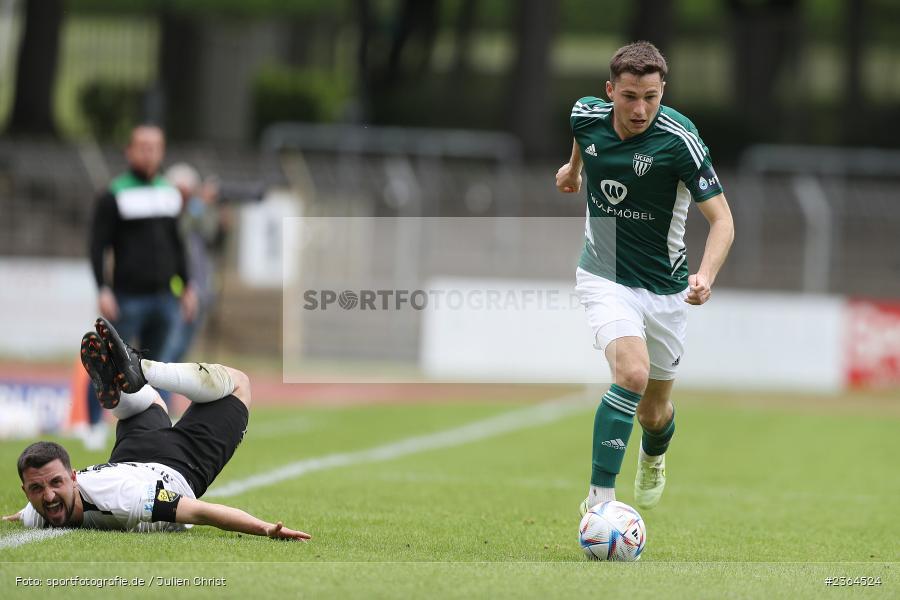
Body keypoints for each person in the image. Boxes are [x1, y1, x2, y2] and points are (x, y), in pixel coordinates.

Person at [555, 41, 735, 514]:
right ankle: (600, 501)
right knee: (631, 374)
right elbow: (582, 136)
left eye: (651, 97)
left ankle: (653, 457)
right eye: (630, 96)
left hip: (666, 289)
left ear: (663, 92)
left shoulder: (680, 140)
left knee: (654, 413)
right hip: (605, 273)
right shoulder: (585, 115)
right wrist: (573, 170)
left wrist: (706, 275)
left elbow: (722, 220)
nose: (640, 109)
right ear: (610, 91)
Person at [2, 318, 309, 540]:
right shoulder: (42, 510)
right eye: (37, 489)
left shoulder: (120, 500)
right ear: (26, 492)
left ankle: (141, 371)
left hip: (154, 463)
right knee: (161, 401)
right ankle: (131, 383)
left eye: (55, 483)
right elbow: (200, 512)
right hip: (151, 459)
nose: (48, 496)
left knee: (236, 385)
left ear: (73, 478)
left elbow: (200, 512)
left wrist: (264, 528)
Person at [83, 125, 197, 441]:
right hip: (127, 295)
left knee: (161, 366)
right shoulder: (115, 193)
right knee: (107, 361)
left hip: (164, 296)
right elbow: (97, 245)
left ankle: (159, 426)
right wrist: (102, 288)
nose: (149, 153)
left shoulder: (168, 193)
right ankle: (92, 424)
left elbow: (177, 245)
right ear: (129, 151)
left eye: (155, 147)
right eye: (142, 147)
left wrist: (187, 285)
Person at [164, 164, 230, 362]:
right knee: (171, 343)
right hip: (177, 290)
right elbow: (181, 231)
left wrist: (220, 222)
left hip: (200, 288)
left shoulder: (197, 212)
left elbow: (210, 237)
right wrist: (201, 204)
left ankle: (169, 382)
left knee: (184, 345)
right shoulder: (171, 214)